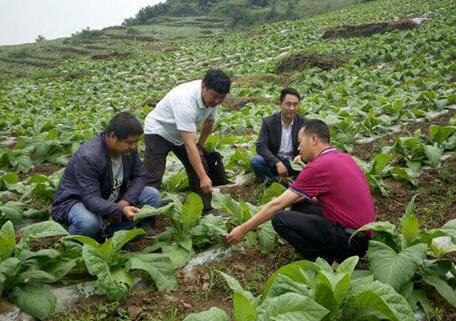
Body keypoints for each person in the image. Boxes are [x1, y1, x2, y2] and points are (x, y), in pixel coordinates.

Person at [226, 119, 376, 264]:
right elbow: (327, 199)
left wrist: (242, 229)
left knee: (280, 219)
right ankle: (337, 254)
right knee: (300, 206)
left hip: (351, 241)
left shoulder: (319, 166)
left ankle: (328, 263)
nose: (298, 147)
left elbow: (276, 205)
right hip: (362, 235)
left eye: (300, 141)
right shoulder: (342, 157)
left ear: (313, 139)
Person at [52, 112, 160, 239]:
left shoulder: (130, 150)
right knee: (88, 223)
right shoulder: (89, 156)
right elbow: (91, 198)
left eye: (136, 142)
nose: (134, 146)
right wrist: (120, 210)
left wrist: (125, 201)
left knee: (152, 195)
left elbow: (140, 176)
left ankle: (109, 233)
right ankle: (75, 242)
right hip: (78, 200)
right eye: (130, 142)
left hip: (109, 195)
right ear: (112, 136)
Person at [143, 69, 231, 214]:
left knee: (200, 164)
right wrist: (203, 177)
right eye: (214, 97)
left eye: (221, 98)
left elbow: (209, 123)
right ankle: (144, 218)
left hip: (180, 132)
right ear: (204, 87)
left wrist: (200, 145)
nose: (217, 101)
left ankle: (205, 208)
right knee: (153, 176)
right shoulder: (185, 101)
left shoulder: (213, 99)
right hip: (159, 130)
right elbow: (190, 145)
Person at [251, 87, 307, 182]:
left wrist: (301, 156)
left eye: (295, 104)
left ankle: (295, 183)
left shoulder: (304, 123)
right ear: (280, 104)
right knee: (256, 161)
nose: (292, 108)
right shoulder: (268, 122)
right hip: (275, 162)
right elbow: (261, 146)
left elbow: (311, 146)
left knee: (314, 162)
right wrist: (277, 163)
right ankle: (272, 183)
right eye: (288, 104)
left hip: (295, 163)